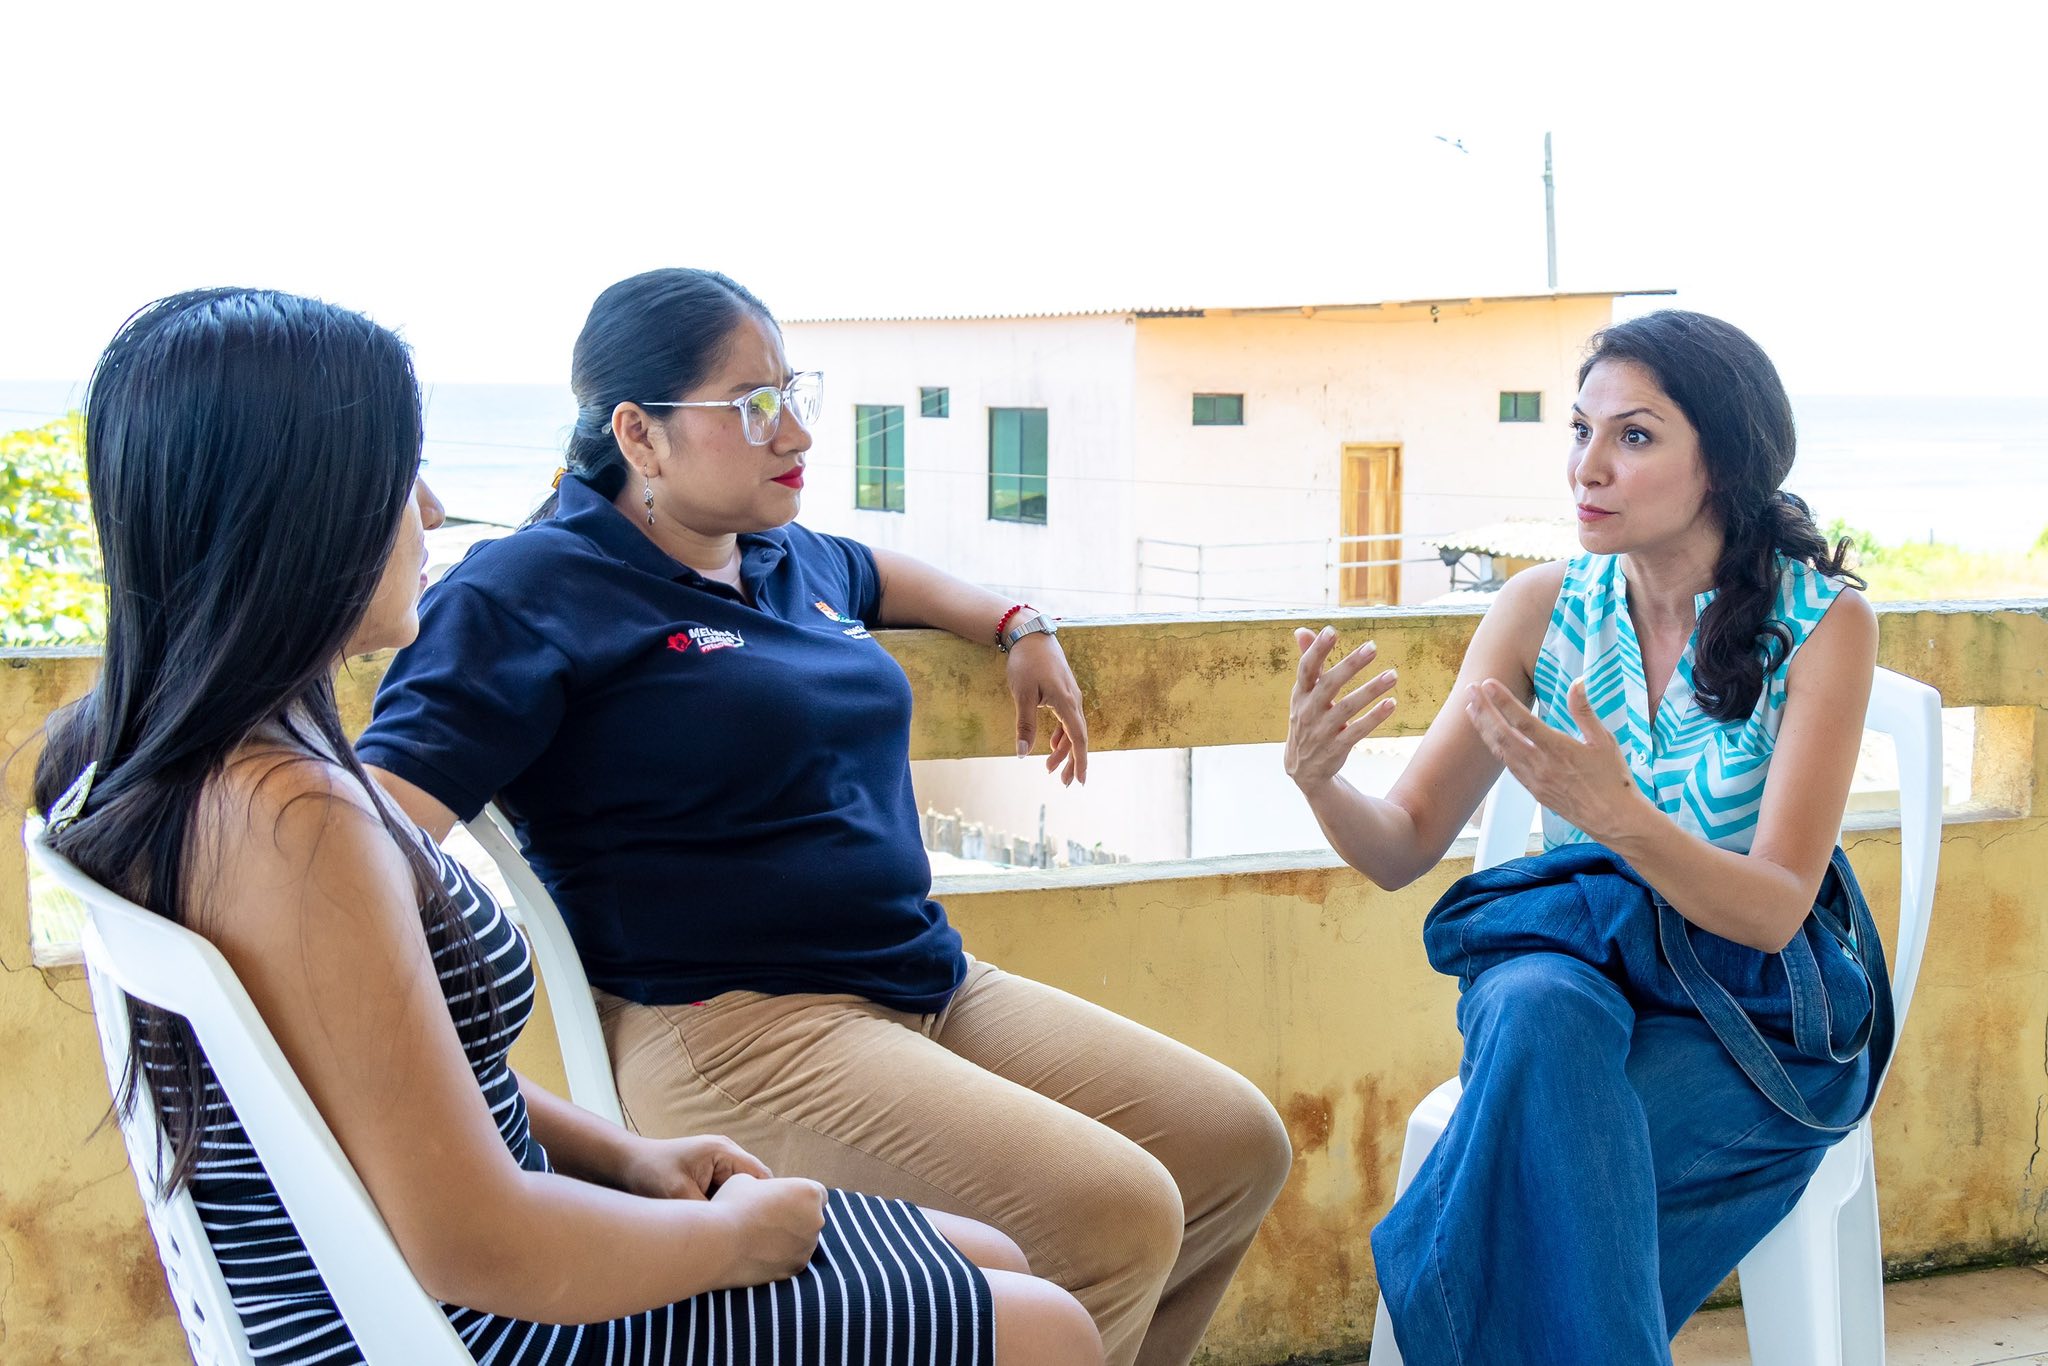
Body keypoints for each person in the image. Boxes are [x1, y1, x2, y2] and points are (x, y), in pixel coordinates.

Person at [36, 287, 1101, 1365]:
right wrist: (728, 1240)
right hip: (452, 1324)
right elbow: (474, 1244)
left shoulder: (177, 770)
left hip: (408, 1279)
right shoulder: (298, 823)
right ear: (298, 514)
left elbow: (392, 1081)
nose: (434, 510)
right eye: (400, 476)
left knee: (991, 1258)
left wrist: (630, 1159)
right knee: (1042, 1326)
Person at [356, 267, 1292, 1366]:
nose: (796, 430)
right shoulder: (523, 591)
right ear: (640, 435)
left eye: (793, 391)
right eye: (753, 405)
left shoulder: (779, 555)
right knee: (1112, 1215)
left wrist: (1017, 622)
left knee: (1232, 1148)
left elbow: (882, 574)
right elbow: (373, 840)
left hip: (921, 980)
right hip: (733, 1026)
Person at [1284, 311, 1885, 1363]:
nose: (1587, 467)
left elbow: (1772, 907)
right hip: (1580, 971)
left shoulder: (1821, 625)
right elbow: (1400, 844)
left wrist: (1619, 820)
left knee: (1539, 1188)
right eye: (1579, 430)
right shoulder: (1540, 608)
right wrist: (1320, 781)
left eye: (1633, 436)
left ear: (1722, 463)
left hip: (1743, 1013)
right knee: (1534, 1003)